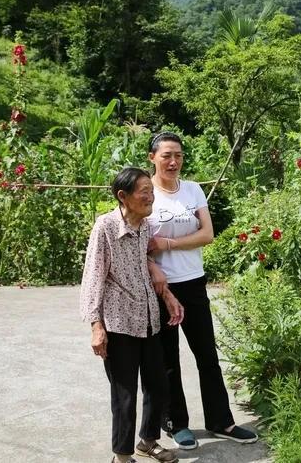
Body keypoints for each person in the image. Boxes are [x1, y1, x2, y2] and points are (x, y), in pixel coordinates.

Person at [147, 132, 258, 450]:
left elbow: (207, 234)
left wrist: (167, 243)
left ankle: (221, 420)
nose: (173, 161)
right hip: (159, 286)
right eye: (167, 155)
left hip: (193, 281)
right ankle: (176, 424)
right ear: (152, 157)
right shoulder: (146, 192)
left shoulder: (193, 190)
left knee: (207, 355)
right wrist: (154, 263)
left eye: (178, 155)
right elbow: (139, 240)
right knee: (168, 359)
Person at [80, 167, 185, 463]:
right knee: (124, 396)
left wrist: (166, 294)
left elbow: (146, 260)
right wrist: (96, 325)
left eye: (151, 191)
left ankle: (148, 441)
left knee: (158, 385)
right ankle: (122, 457)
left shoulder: (145, 226)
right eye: (144, 192)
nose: (151, 197)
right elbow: (93, 277)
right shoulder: (106, 227)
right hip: (119, 323)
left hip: (149, 319)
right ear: (123, 197)